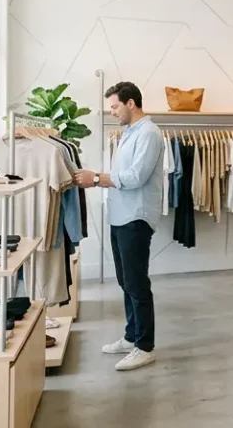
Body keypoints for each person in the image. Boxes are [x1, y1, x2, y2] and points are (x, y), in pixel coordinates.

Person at [73, 82, 163, 371]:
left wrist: (96, 179)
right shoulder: (130, 132)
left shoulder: (149, 133)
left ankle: (145, 347)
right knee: (125, 281)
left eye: (114, 106)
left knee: (137, 283)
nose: (112, 112)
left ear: (130, 103)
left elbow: (136, 176)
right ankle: (131, 336)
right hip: (120, 216)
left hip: (136, 217)